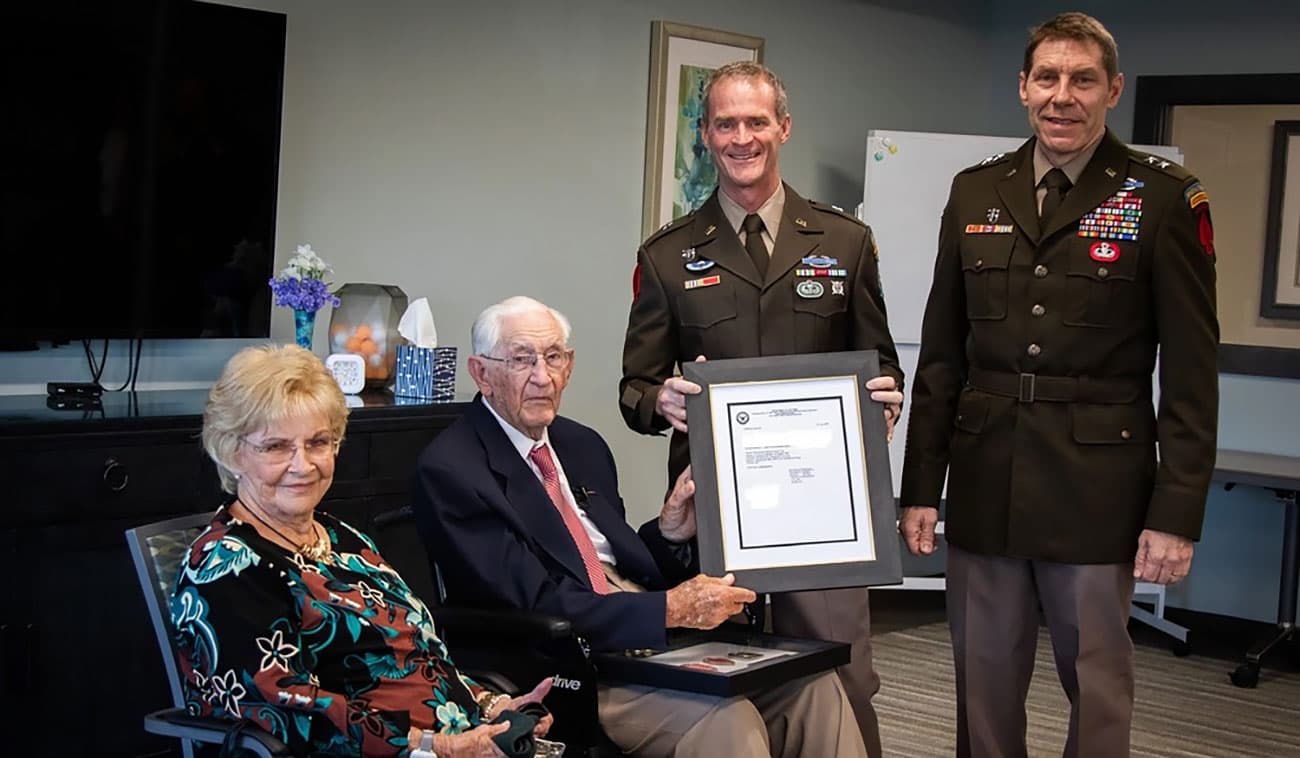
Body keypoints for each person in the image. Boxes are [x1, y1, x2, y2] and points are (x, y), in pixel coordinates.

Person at [899, 12, 1219, 757]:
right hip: (985, 480)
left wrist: (1176, 513)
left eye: (1081, 80)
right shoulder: (976, 192)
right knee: (982, 679)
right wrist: (921, 486)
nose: (1062, 96)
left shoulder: (1163, 197)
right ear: (1022, 88)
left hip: (1098, 487)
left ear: (1113, 90)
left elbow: (1193, 373)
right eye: (1047, 78)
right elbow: (943, 355)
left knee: (1097, 682)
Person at [412, 296, 869, 758]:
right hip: (566, 666)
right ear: (481, 372)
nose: (543, 377)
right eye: (522, 360)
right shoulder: (454, 469)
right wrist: (668, 610)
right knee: (726, 716)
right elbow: (537, 602)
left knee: (813, 686)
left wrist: (669, 532)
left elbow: (617, 567)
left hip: (648, 642)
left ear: (569, 365)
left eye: (554, 357)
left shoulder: (581, 444)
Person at [619, 61, 902, 756]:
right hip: (713, 511)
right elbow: (633, 388)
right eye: (724, 124)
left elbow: (882, 362)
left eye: (755, 121)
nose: (741, 138)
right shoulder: (667, 254)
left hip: (825, 515)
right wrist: (661, 398)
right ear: (707, 136)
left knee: (844, 678)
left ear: (783, 127)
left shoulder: (844, 243)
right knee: (722, 687)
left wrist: (884, 402)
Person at [172, 344, 554, 757]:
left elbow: (413, 652)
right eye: (276, 447)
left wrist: (490, 705)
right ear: (231, 453)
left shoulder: (339, 536)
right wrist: (441, 747)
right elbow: (287, 711)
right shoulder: (227, 566)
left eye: (318, 442)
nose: (303, 465)